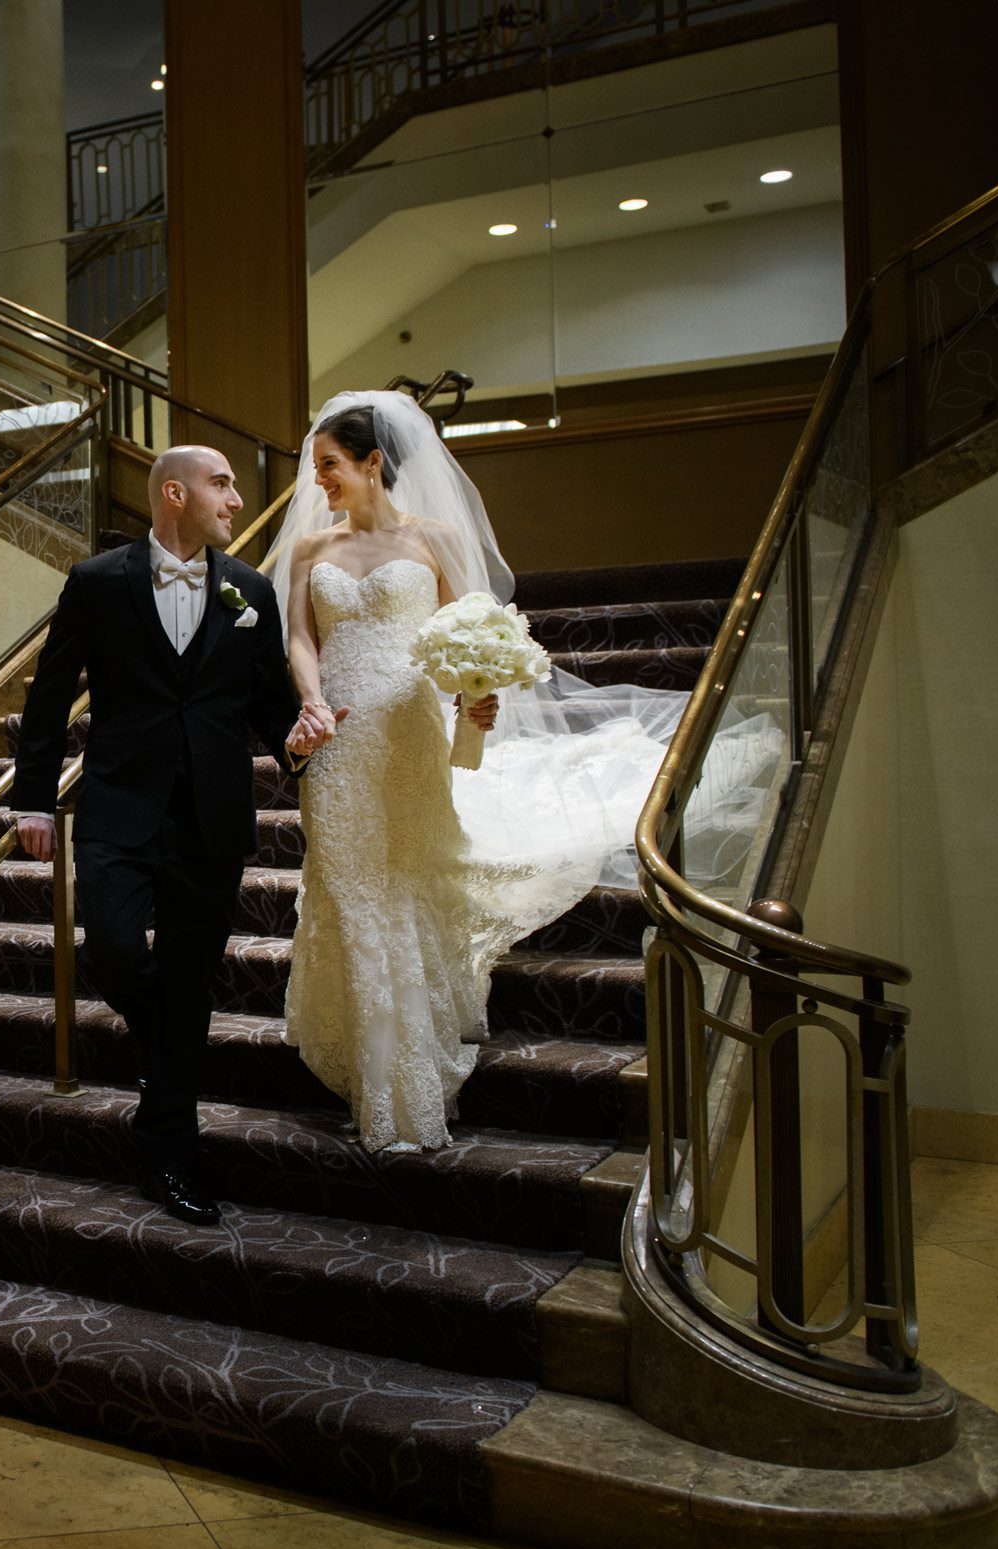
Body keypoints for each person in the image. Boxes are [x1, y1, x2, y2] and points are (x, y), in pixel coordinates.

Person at [272, 390, 697, 1153]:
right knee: (354, 889)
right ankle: (380, 1075)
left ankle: (408, 1072)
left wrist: (475, 694)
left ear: (373, 463)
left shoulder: (433, 539)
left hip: (409, 736)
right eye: (315, 469)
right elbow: (301, 638)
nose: (319, 482)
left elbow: (469, 635)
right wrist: (311, 698)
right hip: (338, 741)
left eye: (330, 465)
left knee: (408, 880)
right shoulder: (310, 552)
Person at [12, 445, 337, 1225]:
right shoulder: (97, 583)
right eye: (220, 484)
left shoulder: (249, 590)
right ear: (174, 493)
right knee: (115, 948)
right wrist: (29, 802)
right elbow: (51, 694)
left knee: (191, 978)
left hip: (212, 817)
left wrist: (297, 739)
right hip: (119, 807)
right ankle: (168, 1050)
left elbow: (265, 706)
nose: (234, 498)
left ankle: (170, 1150)